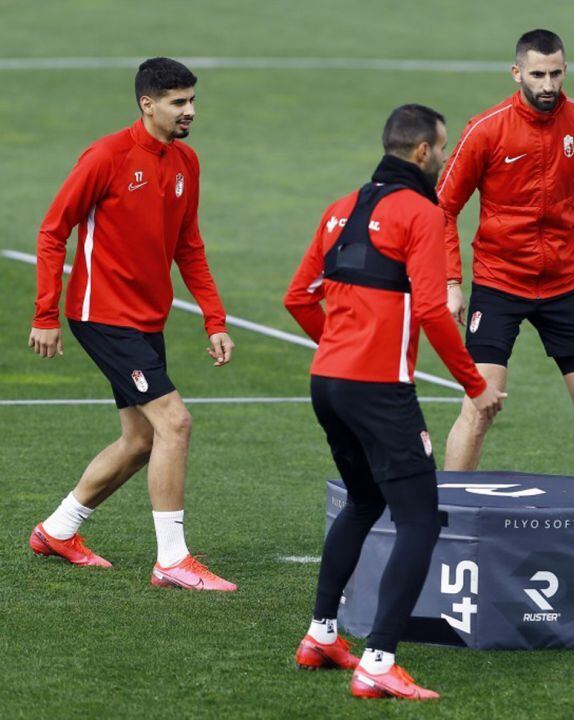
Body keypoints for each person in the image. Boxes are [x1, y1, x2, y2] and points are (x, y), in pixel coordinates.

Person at [284, 104, 504, 701]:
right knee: (418, 520)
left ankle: (321, 635)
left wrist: (337, 346)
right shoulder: (422, 213)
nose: (447, 157)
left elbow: (297, 298)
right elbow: (433, 310)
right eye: (444, 148)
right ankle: (378, 661)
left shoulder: (339, 209)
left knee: (362, 501)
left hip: (326, 384)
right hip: (379, 391)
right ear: (423, 153)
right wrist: (475, 386)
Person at [28, 57, 237, 592]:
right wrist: (45, 314)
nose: (190, 110)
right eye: (178, 102)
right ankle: (171, 559)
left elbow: (189, 246)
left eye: (192, 100)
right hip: (103, 315)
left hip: (147, 319)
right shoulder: (107, 156)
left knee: (142, 438)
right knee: (175, 422)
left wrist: (214, 318)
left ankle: (57, 530)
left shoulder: (186, 161)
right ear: (148, 104)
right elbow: (54, 232)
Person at [438, 29, 574, 476]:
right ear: (517, 71)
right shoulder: (485, 129)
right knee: (481, 408)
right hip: (499, 284)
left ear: (566, 70)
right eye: (537, 74)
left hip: (562, 285)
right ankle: (445, 520)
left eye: (555, 73)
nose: (547, 85)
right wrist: (451, 283)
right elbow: (442, 208)